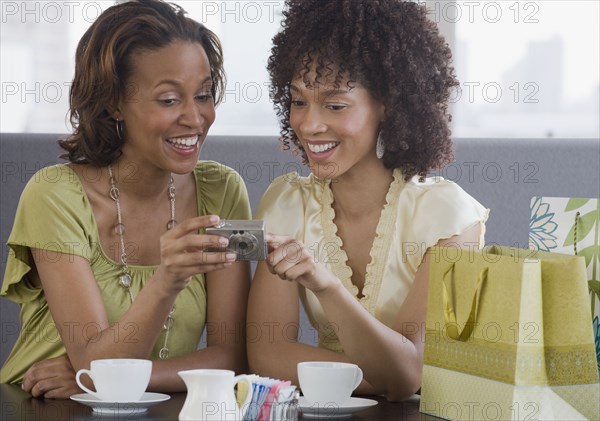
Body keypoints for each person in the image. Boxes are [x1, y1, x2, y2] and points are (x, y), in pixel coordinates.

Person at [0, 0, 251, 398]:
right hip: (42, 405)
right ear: (114, 102)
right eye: (169, 100)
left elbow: (231, 358)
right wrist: (168, 279)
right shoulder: (54, 196)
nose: (195, 117)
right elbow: (94, 362)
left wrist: (109, 377)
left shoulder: (223, 190)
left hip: (148, 405)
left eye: (203, 95)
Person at [247, 0, 489, 401]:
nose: (309, 124)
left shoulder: (449, 218)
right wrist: (383, 375)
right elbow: (268, 354)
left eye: (335, 104)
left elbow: (407, 373)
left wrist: (326, 286)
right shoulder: (287, 204)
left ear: (388, 105)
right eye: (298, 100)